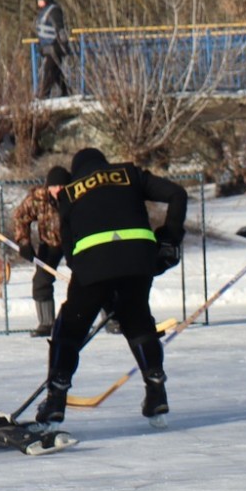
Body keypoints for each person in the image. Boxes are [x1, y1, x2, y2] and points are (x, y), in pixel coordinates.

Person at [32, 147, 187, 428]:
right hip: (138, 262)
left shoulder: (68, 193)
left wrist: (94, 288)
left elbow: (70, 251)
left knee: (69, 327)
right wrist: (170, 239)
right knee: (137, 320)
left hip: (93, 266)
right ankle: (156, 390)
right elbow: (178, 194)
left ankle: (56, 397)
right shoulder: (129, 173)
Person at [9, 164, 70, 337]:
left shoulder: (76, 195)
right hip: (50, 243)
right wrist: (24, 242)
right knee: (41, 280)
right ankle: (46, 323)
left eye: (61, 186)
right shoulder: (38, 198)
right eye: (54, 186)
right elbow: (20, 216)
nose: (58, 190)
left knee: (93, 276)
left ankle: (110, 317)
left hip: (75, 242)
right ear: (48, 186)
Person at [33, 0, 69, 99]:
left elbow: (59, 29)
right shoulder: (43, 12)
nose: (37, 1)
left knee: (48, 71)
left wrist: (63, 46)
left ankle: (43, 95)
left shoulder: (54, 11)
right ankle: (65, 93)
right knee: (56, 73)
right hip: (47, 47)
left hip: (54, 46)